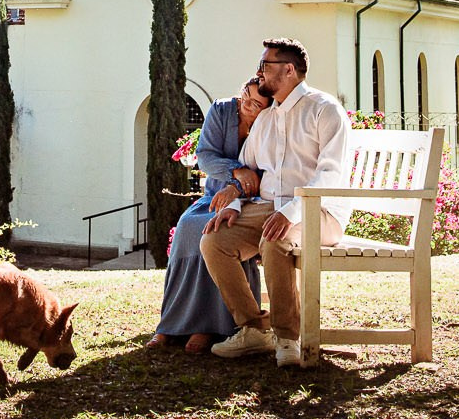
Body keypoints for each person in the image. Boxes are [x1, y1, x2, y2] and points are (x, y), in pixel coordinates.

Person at [200, 38, 353, 368]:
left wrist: (292, 211)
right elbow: (250, 169)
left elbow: (331, 173)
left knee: (274, 240)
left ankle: (287, 337)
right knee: (214, 241)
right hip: (270, 208)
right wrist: (234, 206)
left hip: (320, 211)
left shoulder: (324, 110)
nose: (259, 73)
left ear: (289, 70)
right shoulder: (267, 118)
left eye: (265, 66)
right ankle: (254, 329)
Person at [147, 78, 272, 353]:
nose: (247, 106)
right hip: (213, 197)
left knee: (213, 231)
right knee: (186, 226)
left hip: (251, 201)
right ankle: (171, 324)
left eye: (257, 104)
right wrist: (237, 172)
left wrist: (239, 186)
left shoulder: (271, 123)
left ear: (267, 108)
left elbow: (265, 172)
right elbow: (205, 156)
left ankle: (209, 325)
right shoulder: (222, 110)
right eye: (245, 97)